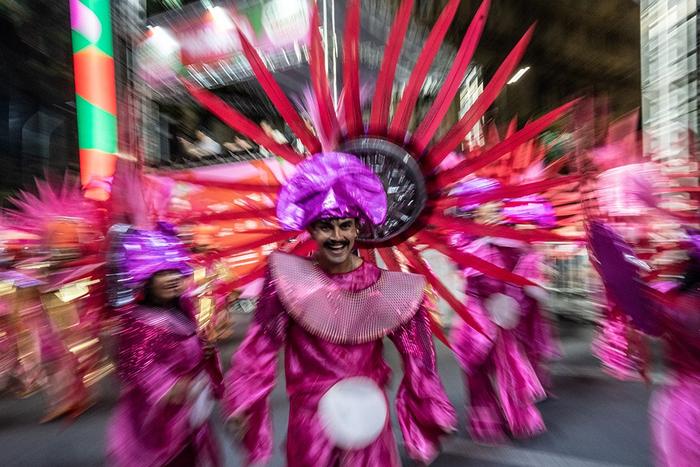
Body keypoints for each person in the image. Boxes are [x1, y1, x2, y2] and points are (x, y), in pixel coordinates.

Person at [224, 152, 456, 466]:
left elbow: (418, 355)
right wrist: (243, 400)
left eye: (345, 226)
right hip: (311, 421)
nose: (337, 237)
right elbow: (260, 348)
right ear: (311, 229)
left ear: (356, 227)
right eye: (325, 227)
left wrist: (429, 407)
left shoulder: (387, 288)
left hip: (367, 417)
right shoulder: (287, 280)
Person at [107, 222, 223, 467]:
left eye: (175, 271)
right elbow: (140, 369)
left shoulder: (184, 307)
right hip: (155, 417)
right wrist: (173, 388)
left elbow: (192, 344)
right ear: (145, 278)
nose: (171, 279)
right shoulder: (137, 320)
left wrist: (206, 353)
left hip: (189, 410)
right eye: (161, 273)